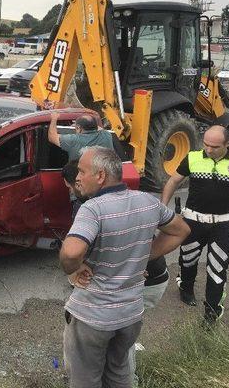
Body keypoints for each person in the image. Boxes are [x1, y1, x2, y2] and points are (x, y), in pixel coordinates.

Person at [60, 146, 189, 388]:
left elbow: (71, 251)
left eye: (81, 171)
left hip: (94, 317)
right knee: (119, 373)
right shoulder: (147, 201)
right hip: (130, 314)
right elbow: (181, 230)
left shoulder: (92, 208)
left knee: (86, 378)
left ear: (100, 176)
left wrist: (73, 269)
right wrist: (144, 254)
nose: (76, 178)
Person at [161, 125, 229, 322]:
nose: (208, 149)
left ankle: (212, 311)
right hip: (193, 222)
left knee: (217, 267)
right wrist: (162, 209)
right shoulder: (193, 157)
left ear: (227, 144)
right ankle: (186, 288)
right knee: (188, 260)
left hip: (223, 224)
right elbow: (173, 181)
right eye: (206, 144)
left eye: (214, 146)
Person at [49, 112, 114, 161]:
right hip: (104, 175)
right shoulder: (107, 135)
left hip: (84, 177)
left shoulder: (73, 140)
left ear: (79, 128)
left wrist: (54, 119)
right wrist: (78, 126)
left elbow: (52, 137)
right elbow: (98, 128)